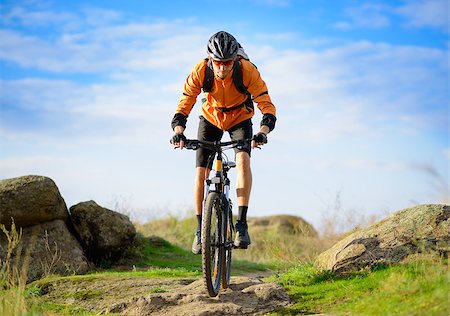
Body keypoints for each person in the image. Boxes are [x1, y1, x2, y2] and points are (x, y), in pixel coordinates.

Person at [171, 31, 277, 254]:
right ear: (210, 59)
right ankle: (200, 230)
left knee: (243, 160)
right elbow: (185, 103)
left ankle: (241, 224)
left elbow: (266, 104)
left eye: (227, 63)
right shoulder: (201, 70)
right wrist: (179, 132)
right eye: (217, 63)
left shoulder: (247, 70)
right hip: (210, 118)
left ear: (235, 59)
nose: (222, 68)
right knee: (201, 172)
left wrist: (262, 132)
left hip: (240, 118)